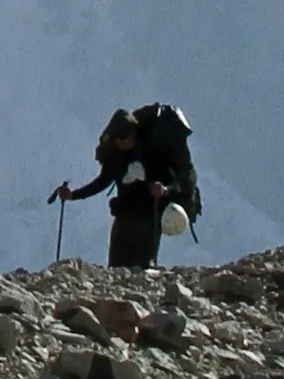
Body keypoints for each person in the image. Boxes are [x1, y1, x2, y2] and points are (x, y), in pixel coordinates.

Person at [85, 99, 199, 272]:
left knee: (132, 266)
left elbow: (176, 181)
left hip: (145, 216)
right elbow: (102, 181)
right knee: (122, 267)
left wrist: (165, 190)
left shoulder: (153, 155)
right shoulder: (120, 158)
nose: (123, 142)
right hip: (132, 216)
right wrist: (73, 195)